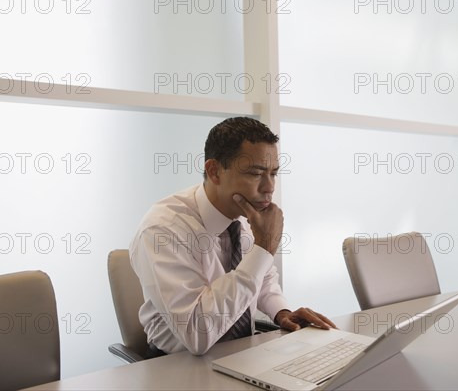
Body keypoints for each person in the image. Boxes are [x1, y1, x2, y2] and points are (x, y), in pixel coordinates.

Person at [129, 117, 335, 357]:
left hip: (242, 353)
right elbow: (197, 333)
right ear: (214, 171)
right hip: (179, 363)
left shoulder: (245, 213)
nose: (269, 188)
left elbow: (263, 279)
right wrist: (264, 247)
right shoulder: (163, 229)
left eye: (273, 173)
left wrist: (282, 312)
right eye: (256, 173)